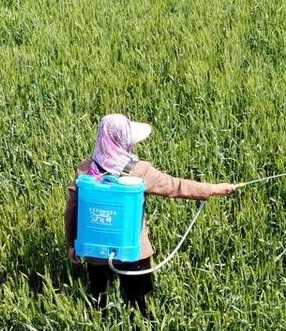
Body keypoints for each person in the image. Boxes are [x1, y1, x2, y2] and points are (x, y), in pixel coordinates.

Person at [64, 113, 235, 317]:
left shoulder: (85, 170)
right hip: (133, 251)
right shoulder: (139, 171)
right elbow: (175, 186)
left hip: (95, 251)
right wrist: (212, 189)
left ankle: (100, 330)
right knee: (139, 303)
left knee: (97, 298)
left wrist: (72, 244)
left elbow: (71, 209)